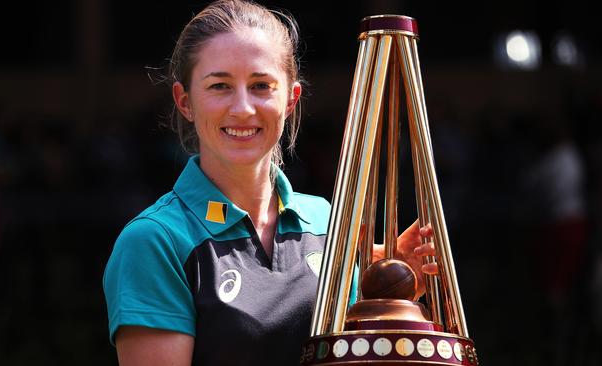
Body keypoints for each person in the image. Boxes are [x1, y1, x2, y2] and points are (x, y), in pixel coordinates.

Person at [102, 1, 436, 365]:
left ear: (291, 99)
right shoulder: (155, 241)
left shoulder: (329, 222)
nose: (243, 108)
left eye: (261, 85)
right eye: (220, 86)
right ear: (185, 101)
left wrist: (389, 304)